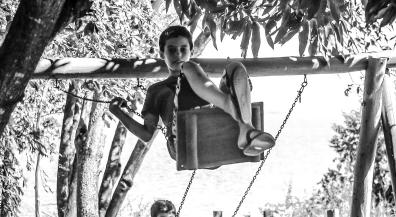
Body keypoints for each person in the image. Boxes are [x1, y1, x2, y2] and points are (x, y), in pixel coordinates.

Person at [109, 25, 275, 160]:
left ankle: (244, 131)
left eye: (183, 49)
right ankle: (234, 110)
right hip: (182, 144)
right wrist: (116, 111)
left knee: (233, 69)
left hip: (213, 137)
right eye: (172, 50)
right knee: (188, 66)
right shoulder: (157, 90)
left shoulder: (200, 79)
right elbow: (146, 134)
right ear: (162, 54)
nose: (179, 55)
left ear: (192, 51)